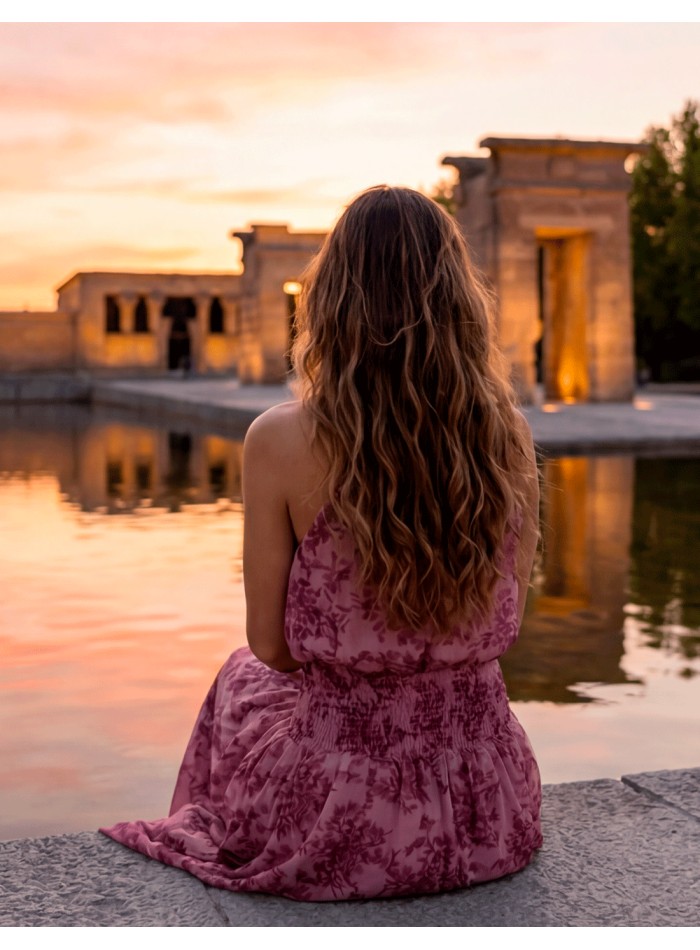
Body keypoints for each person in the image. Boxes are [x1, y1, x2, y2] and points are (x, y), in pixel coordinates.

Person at [100, 185, 542, 901]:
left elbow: (273, 647)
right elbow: (506, 622)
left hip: (339, 813)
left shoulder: (280, 439)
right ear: (460, 302)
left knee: (241, 674)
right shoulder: (507, 439)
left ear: (332, 299)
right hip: (488, 808)